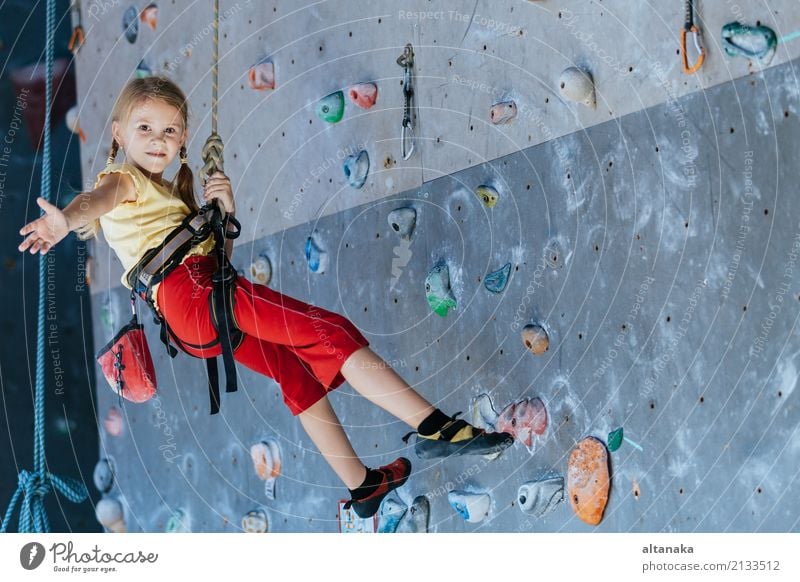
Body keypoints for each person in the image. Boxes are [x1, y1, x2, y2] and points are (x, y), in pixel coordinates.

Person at [18, 75, 512, 519]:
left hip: (193, 317)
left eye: (169, 131)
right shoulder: (121, 182)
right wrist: (66, 218)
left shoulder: (171, 197)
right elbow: (96, 201)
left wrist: (225, 213)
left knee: (292, 370)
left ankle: (362, 488)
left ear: (184, 139)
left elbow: (220, 261)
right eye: (144, 129)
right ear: (119, 134)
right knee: (332, 332)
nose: (157, 141)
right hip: (193, 297)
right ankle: (436, 428)